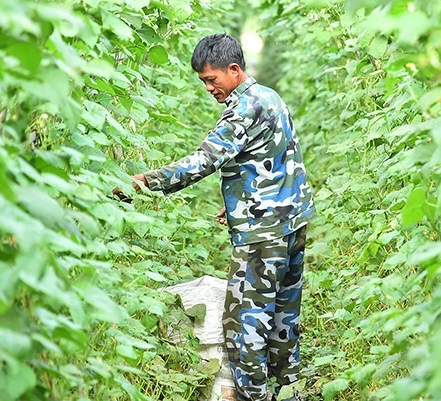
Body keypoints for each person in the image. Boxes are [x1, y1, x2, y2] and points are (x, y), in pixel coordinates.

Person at [115, 33, 315, 401]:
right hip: (293, 221)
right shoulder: (269, 97)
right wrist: (240, 197)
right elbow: (281, 157)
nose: (209, 88)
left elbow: (202, 161)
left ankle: (253, 396)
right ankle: (291, 392)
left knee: (245, 324)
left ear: (234, 70)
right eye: (204, 81)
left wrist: (145, 183)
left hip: (263, 233)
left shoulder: (241, 110)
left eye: (212, 79)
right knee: (284, 316)